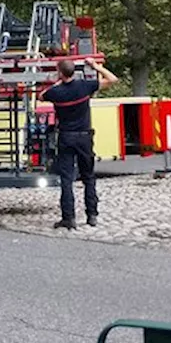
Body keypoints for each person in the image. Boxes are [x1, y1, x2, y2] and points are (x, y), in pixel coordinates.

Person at [40, 57, 119, 230]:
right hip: (84, 137)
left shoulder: (56, 92)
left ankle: (69, 218)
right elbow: (112, 79)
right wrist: (95, 66)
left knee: (67, 179)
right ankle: (91, 215)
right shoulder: (85, 86)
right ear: (74, 71)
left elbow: (41, 96)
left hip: (66, 137)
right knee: (88, 177)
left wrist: (57, 82)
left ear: (60, 73)